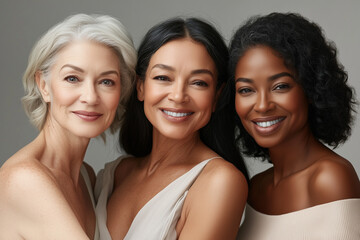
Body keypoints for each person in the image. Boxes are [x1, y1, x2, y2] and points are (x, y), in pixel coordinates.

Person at [95, 17, 249, 240]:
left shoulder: (220, 182)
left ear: (216, 95)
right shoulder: (116, 173)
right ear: (140, 87)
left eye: (198, 82)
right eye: (163, 77)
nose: (178, 96)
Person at [0, 13, 136, 240]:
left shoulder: (86, 177)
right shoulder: (24, 180)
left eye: (106, 81)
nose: (90, 97)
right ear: (43, 85)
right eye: (72, 78)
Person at [227, 12, 360, 239]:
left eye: (280, 86)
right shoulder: (256, 188)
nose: (262, 105)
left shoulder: (330, 178)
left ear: (310, 88)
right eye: (246, 90)